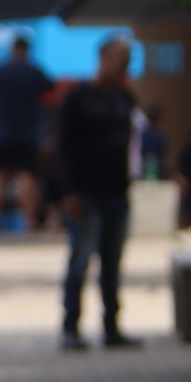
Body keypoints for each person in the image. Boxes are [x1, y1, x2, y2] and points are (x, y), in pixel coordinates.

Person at [54, 34, 141, 351]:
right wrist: (70, 191)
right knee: (80, 260)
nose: (125, 63)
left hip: (116, 191)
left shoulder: (123, 97)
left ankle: (112, 325)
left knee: (113, 263)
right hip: (85, 193)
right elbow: (62, 148)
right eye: (120, 56)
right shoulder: (78, 97)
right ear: (103, 55)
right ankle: (71, 327)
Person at [0, 34, 49, 232]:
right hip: (27, 133)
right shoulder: (34, 71)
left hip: (0, 132)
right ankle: (30, 221)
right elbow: (49, 96)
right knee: (26, 175)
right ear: (26, 50)